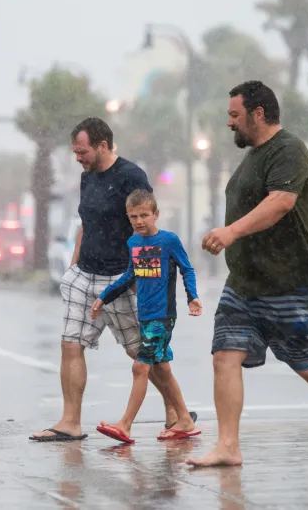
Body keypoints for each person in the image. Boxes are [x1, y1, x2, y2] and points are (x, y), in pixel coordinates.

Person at [186, 81, 308, 467]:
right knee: (224, 355)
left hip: (290, 279)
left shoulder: (288, 150)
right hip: (245, 283)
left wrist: (230, 232)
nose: (229, 123)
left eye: (235, 115)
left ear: (258, 114)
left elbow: (281, 203)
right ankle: (228, 447)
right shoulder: (253, 157)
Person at [31, 117, 194, 442]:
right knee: (70, 344)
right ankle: (70, 422)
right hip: (84, 275)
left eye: (82, 151)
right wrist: (73, 267)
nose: (78, 157)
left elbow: (147, 226)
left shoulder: (131, 176)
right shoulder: (87, 177)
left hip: (121, 278)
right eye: (75, 152)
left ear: (102, 145)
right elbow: (85, 224)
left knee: (142, 352)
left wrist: (144, 280)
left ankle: (178, 411)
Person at [91, 189, 202, 444]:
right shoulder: (134, 243)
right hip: (146, 315)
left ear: (156, 214)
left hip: (162, 316)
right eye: (133, 216)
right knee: (162, 369)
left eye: (144, 215)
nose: (139, 221)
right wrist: (103, 297)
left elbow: (187, 269)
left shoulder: (168, 241)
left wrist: (192, 296)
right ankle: (185, 419)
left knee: (140, 367)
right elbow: (130, 275)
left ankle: (125, 425)